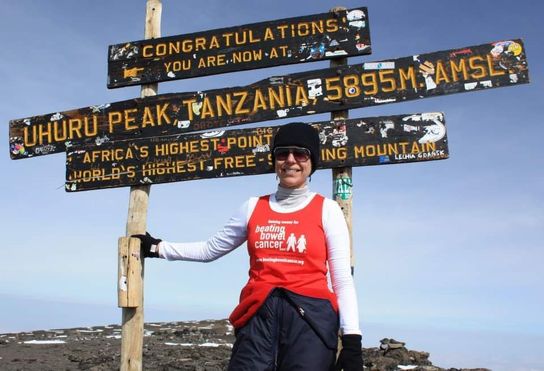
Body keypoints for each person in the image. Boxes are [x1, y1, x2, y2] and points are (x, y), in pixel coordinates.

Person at [135, 122, 363, 371]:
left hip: (310, 325)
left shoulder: (327, 210)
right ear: (274, 161)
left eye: (300, 153)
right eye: (282, 153)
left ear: (312, 162)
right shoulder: (253, 207)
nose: (290, 160)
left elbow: (341, 280)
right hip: (257, 319)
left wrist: (352, 341)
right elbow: (210, 249)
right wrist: (158, 248)